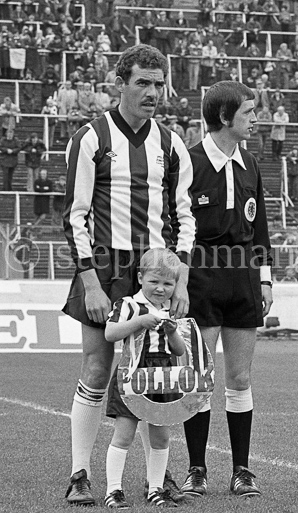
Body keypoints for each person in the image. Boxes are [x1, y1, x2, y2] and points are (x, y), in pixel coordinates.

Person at [63, 44, 195, 507]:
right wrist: (91, 282)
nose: (153, 92)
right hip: (104, 267)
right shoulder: (91, 137)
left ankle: (157, 480)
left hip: (157, 271)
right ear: (120, 84)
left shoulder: (172, 142)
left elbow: (185, 217)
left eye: (159, 84)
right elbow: (76, 216)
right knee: (98, 369)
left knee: (156, 369)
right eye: (143, 82)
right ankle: (80, 474)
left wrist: (179, 278)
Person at [180, 81, 274, 498]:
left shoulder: (250, 163)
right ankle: (197, 469)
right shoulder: (188, 161)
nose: (256, 119)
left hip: (243, 276)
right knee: (200, 378)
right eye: (249, 112)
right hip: (201, 275)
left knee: (240, 376)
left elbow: (261, 227)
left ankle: (241, 470)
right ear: (224, 117)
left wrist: (266, 277)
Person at [102, 249, 188, 509]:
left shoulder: (168, 310)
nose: (161, 289)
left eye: (168, 283)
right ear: (140, 277)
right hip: (133, 373)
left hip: (162, 375)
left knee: (161, 437)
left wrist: (172, 332)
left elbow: (179, 350)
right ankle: (113, 490)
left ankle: (156, 488)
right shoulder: (128, 305)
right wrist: (140, 321)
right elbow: (111, 333)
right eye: (155, 282)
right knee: (124, 435)